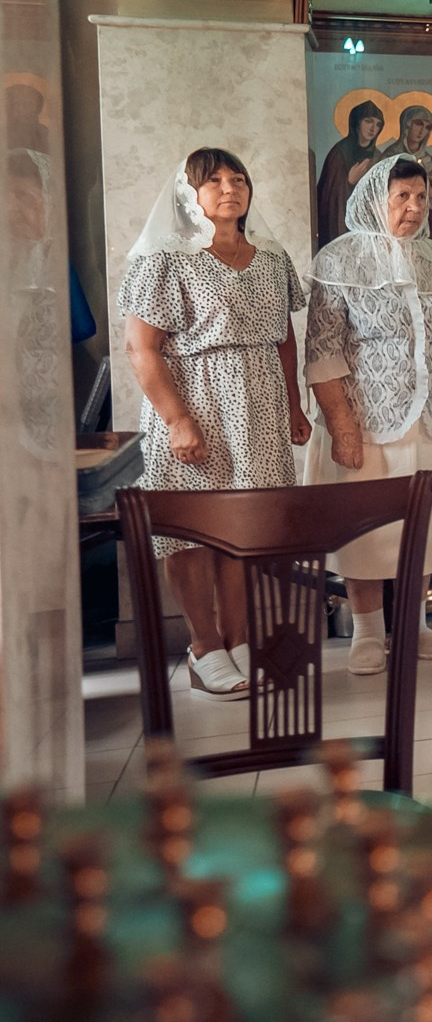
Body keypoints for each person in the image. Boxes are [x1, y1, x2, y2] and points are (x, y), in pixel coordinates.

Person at [119, 149, 313, 698]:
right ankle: (204, 645)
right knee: (193, 532)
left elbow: (284, 336)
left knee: (245, 527)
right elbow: (141, 348)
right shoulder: (165, 258)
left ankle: (241, 638)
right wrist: (178, 421)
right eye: (214, 181)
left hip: (260, 407)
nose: (229, 188)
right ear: (188, 194)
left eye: (238, 178)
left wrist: (295, 405)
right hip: (195, 404)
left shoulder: (271, 257)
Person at [305, 158, 432, 673]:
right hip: (366, 422)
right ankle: (366, 633)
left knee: (424, 524)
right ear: (375, 198)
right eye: (402, 196)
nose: (413, 207)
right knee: (365, 530)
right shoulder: (340, 260)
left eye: (421, 197)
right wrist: (341, 426)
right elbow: (322, 352)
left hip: (431, 419)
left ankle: (414, 628)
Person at [316, 99, 388, 246]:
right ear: (357, 122)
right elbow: (327, 197)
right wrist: (347, 182)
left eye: (378, 124)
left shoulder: (378, 157)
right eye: (368, 121)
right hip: (341, 228)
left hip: (370, 229)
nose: (373, 128)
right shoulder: (339, 153)